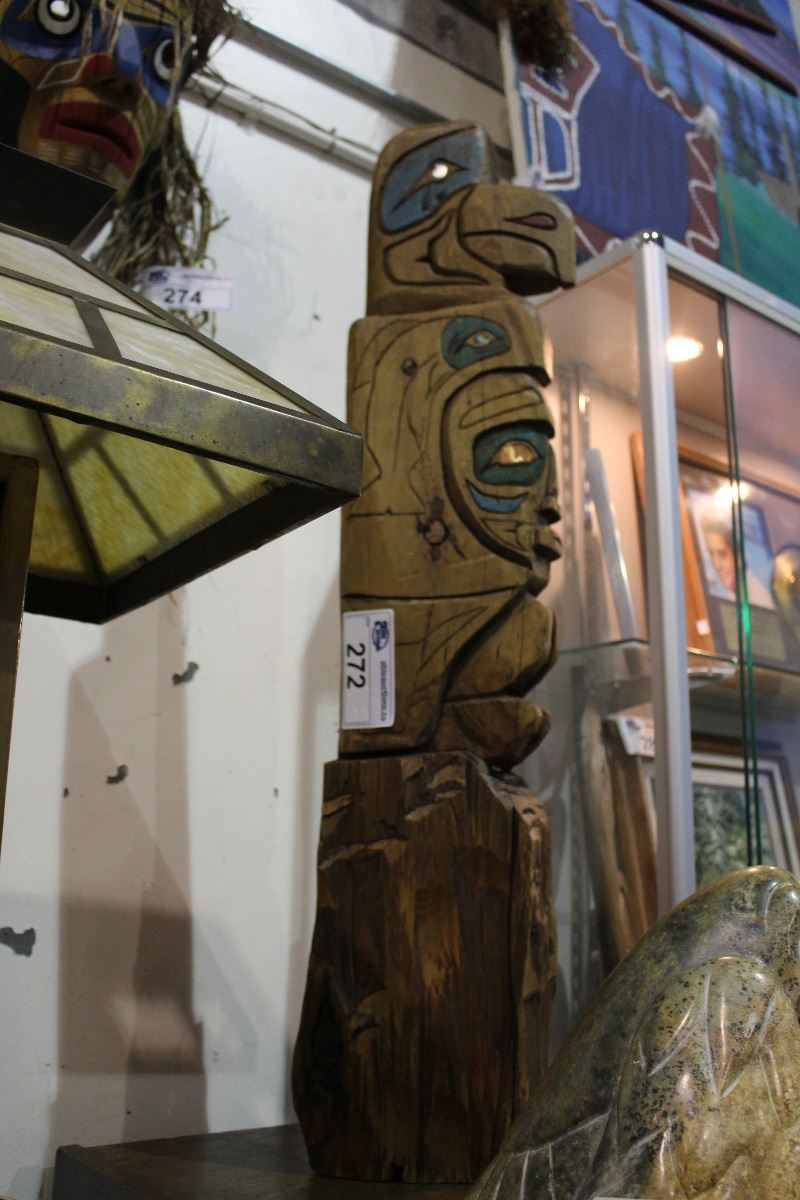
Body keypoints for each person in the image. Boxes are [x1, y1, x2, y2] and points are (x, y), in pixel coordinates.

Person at [701, 515, 774, 608]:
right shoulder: (728, 593)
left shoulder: (759, 598)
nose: (716, 565)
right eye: (711, 555)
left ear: (738, 556)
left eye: (722, 555)